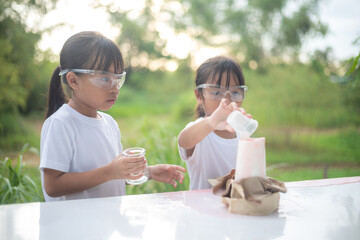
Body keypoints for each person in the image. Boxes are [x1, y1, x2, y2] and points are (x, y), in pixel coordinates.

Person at [40, 31, 185, 201]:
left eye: (117, 78)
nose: (114, 88)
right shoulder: (61, 124)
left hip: (107, 223)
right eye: (104, 78)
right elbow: (52, 186)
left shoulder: (109, 123)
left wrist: (149, 172)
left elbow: (110, 178)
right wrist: (110, 171)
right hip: (74, 225)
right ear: (73, 80)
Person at [178, 56, 252, 190]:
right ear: (199, 96)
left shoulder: (242, 132)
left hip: (235, 207)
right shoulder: (198, 131)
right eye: (217, 92)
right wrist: (213, 121)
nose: (227, 100)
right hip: (201, 209)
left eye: (235, 92)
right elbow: (184, 141)